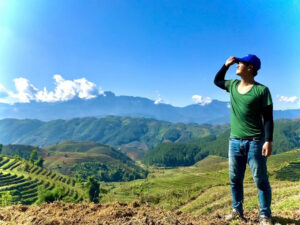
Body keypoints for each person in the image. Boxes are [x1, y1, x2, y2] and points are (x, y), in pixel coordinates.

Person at [214, 54, 273, 225]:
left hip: (255, 142)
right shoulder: (232, 85)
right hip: (234, 141)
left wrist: (268, 140)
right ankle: (237, 210)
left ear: (250, 68)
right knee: (235, 178)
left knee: (260, 179)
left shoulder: (261, 90)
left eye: (241, 63)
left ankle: (264, 215)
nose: (237, 65)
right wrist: (225, 65)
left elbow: (268, 118)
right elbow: (217, 81)